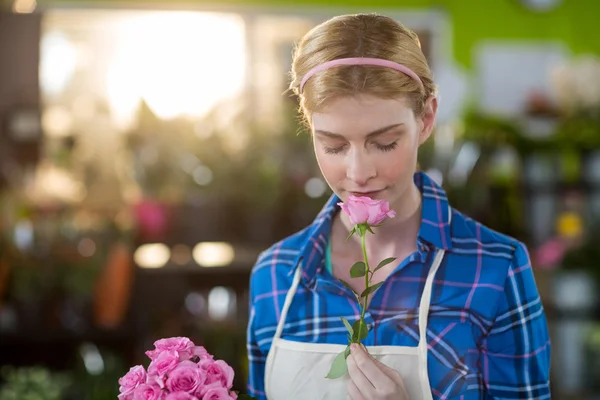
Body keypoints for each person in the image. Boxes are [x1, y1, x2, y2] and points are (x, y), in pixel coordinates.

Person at [246, 13, 551, 400]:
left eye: (385, 142)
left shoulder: (495, 268)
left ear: (425, 119)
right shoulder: (275, 274)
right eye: (334, 146)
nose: (358, 173)